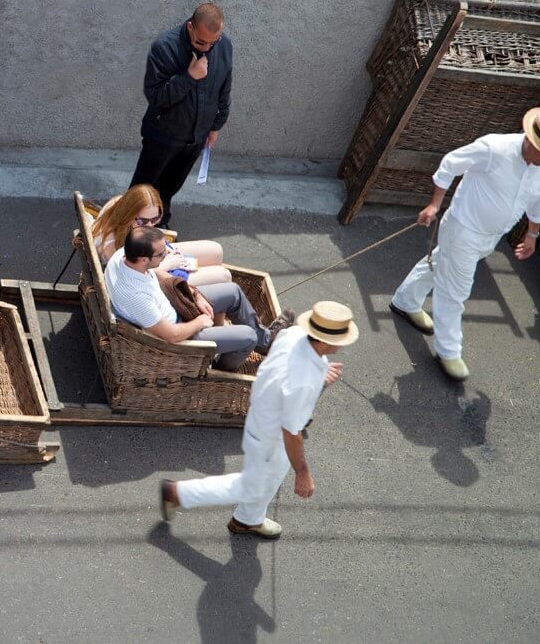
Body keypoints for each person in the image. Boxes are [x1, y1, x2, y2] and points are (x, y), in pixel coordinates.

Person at [390, 107, 540, 381]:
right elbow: (450, 163)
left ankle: (405, 301)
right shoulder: (494, 148)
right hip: (463, 228)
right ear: (531, 141)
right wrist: (434, 205)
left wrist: (532, 234)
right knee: (455, 290)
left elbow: (539, 199)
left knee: (442, 264)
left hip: (490, 236)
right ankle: (448, 351)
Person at [159, 301, 358, 539]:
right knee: (249, 485)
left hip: (261, 415)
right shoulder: (304, 381)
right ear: (326, 341)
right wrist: (303, 472)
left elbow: (282, 355)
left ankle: (248, 519)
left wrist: (320, 371)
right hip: (271, 435)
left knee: (271, 476)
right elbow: (291, 432)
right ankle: (177, 493)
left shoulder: (292, 333)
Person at [104, 226, 293, 371]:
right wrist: (200, 322)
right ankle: (221, 369)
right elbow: (171, 335)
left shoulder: (124, 255)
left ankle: (266, 341)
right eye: (162, 253)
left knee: (233, 292)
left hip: (173, 303)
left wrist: (195, 293)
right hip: (179, 332)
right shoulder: (136, 296)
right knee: (247, 336)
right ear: (143, 259)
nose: (167, 254)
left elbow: (158, 274)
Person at [130, 2, 232, 228]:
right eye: (200, 42)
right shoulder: (164, 47)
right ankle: (126, 236)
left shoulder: (224, 46)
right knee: (142, 192)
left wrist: (215, 126)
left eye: (212, 43)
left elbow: (224, 89)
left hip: (196, 138)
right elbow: (156, 98)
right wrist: (189, 76)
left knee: (169, 189)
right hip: (163, 136)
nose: (206, 48)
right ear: (190, 27)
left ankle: (158, 231)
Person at [89, 184, 232, 286]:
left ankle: (212, 295)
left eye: (155, 219)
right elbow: (133, 278)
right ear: (128, 215)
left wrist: (164, 250)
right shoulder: (114, 248)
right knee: (223, 275)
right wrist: (167, 264)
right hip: (150, 280)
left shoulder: (119, 202)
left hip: (154, 258)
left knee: (216, 250)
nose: (150, 226)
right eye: (143, 221)